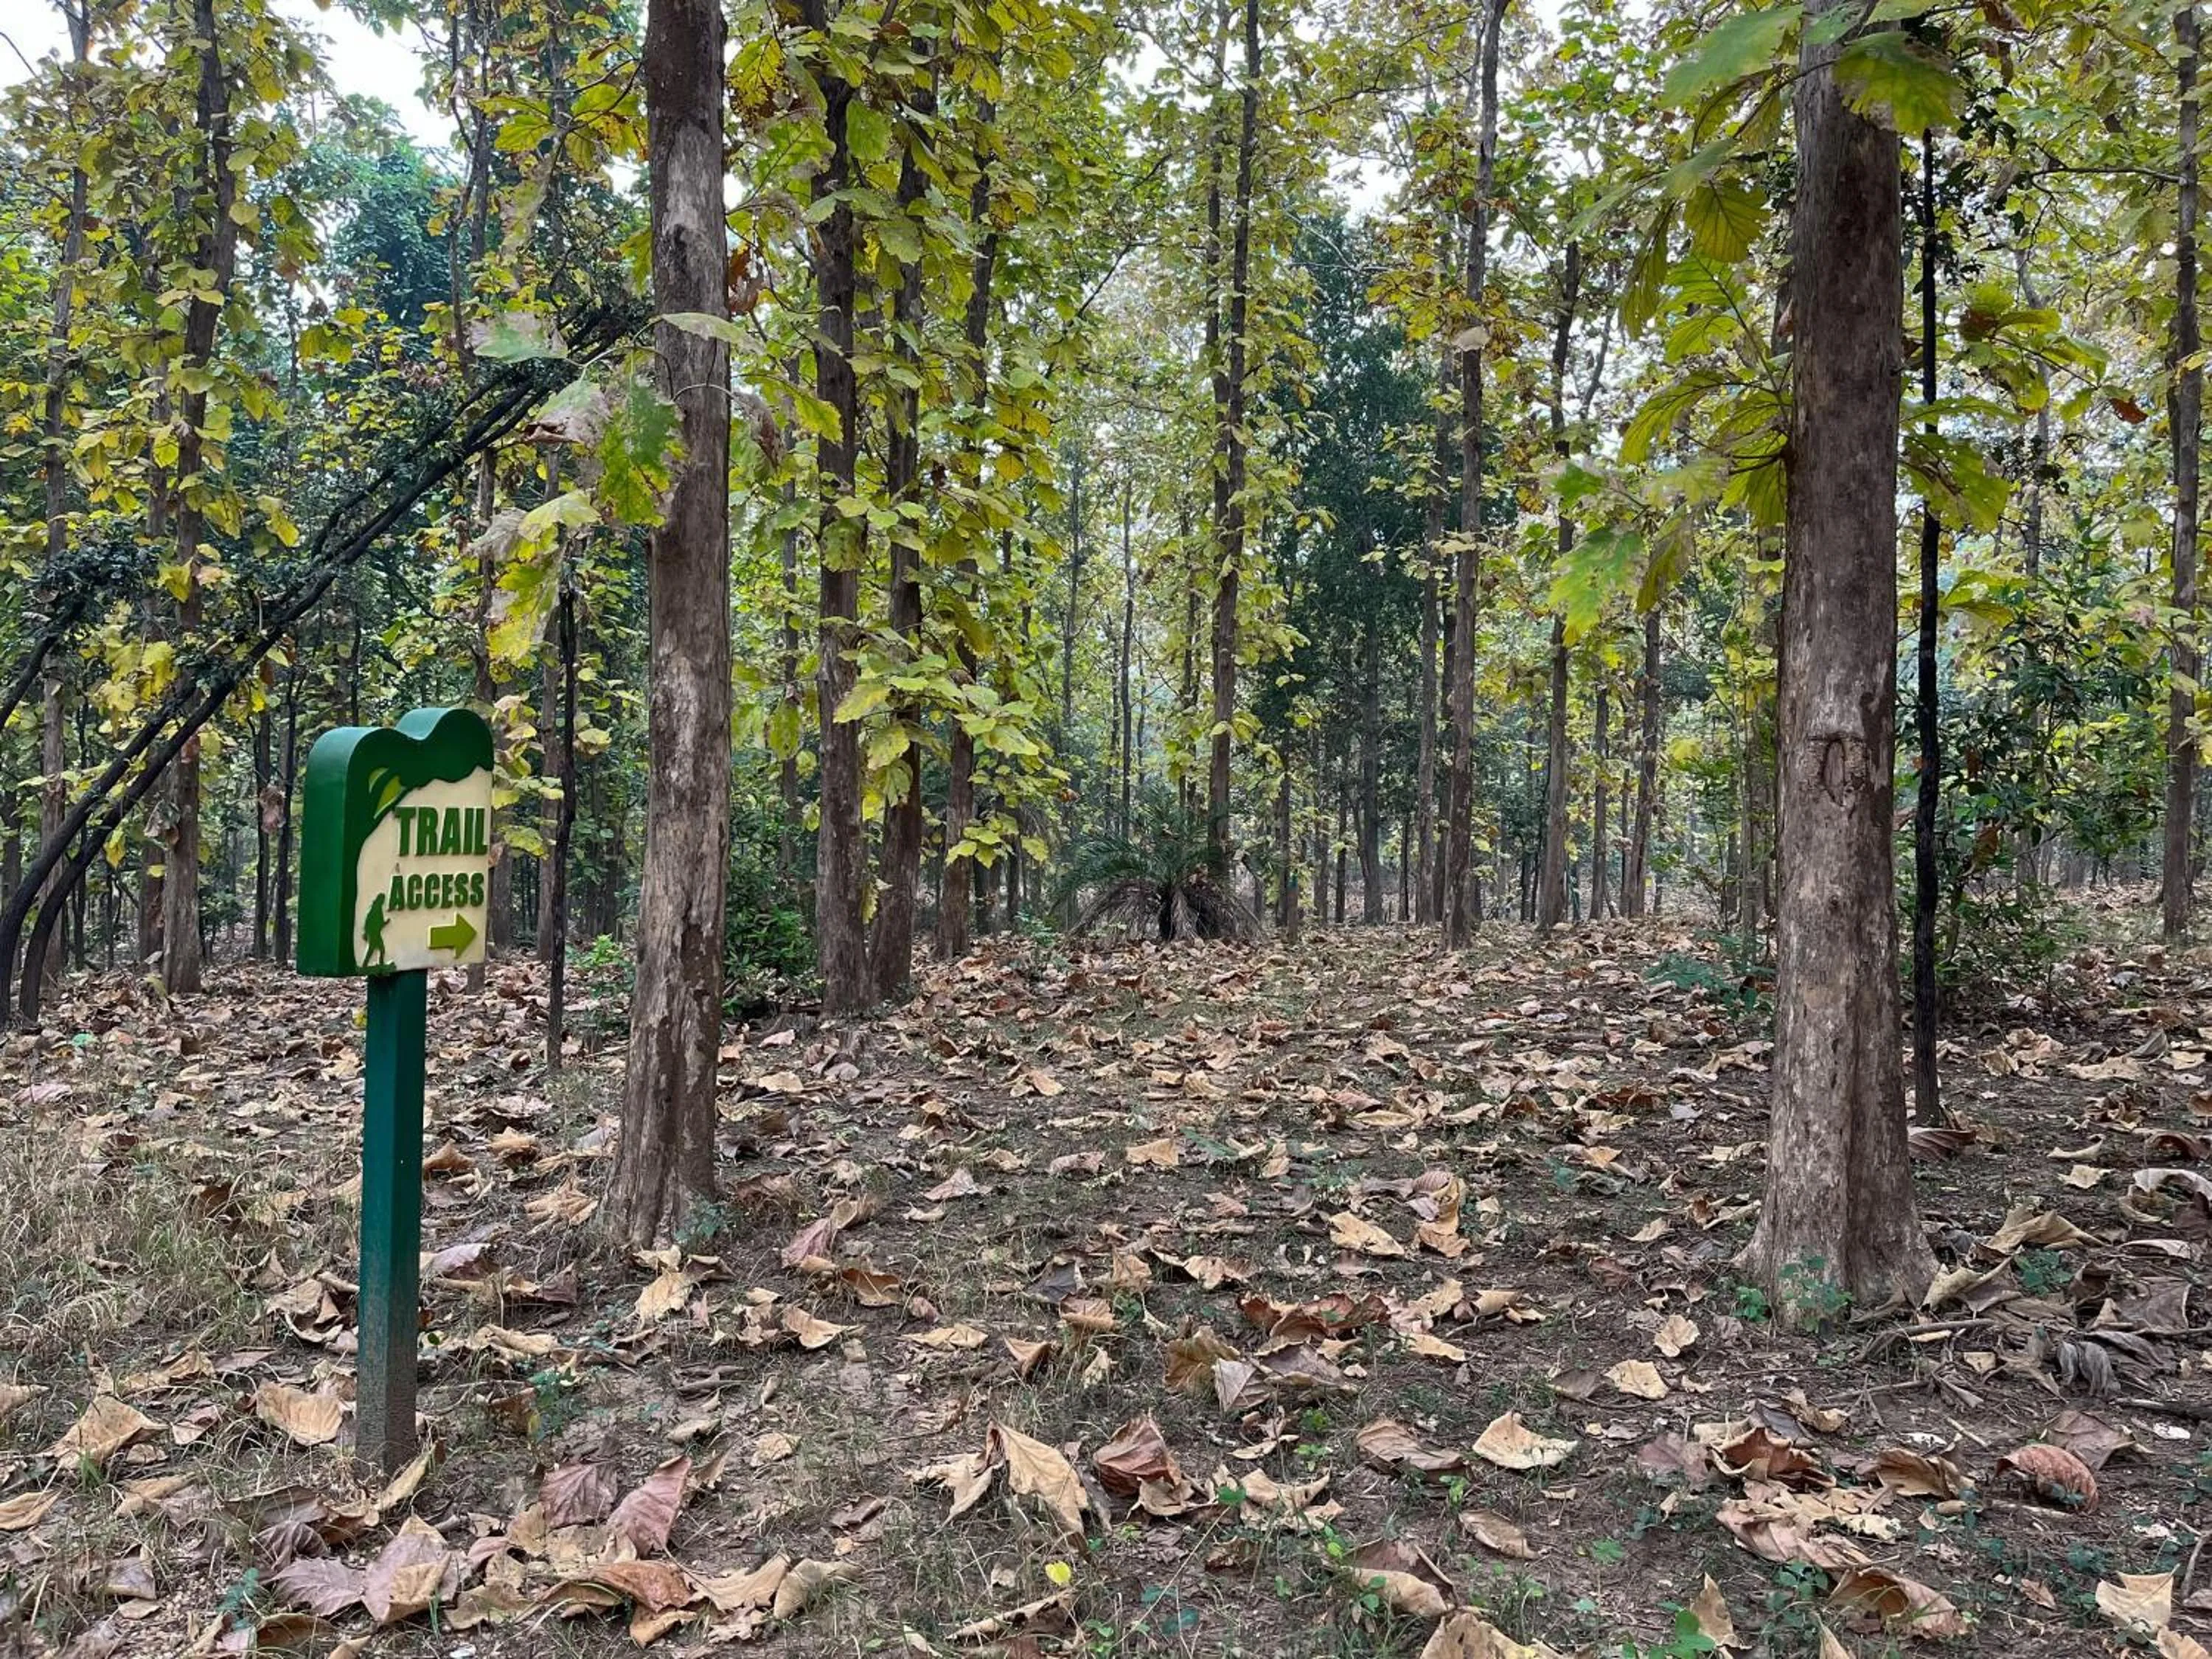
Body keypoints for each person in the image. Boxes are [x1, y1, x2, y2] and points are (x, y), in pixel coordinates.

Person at [363, 892, 390, 970]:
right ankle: (367, 965)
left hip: (375, 933)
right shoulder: (376, 908)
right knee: (376, 949)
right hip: (373, 933)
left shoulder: (377, 908)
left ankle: (379, 964)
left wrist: (385, 923)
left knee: (378, 949)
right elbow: (370, 921)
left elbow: (379, 923)